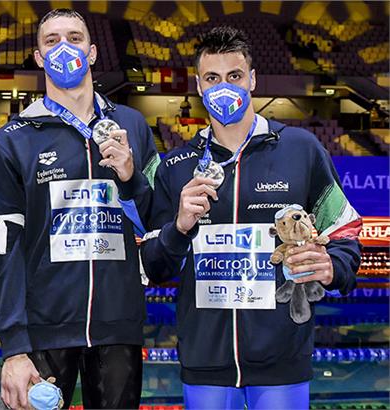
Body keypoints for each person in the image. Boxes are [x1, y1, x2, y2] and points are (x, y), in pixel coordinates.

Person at [140, 26, 362, 409]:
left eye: (234, 76)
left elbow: (345, 233)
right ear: (199, 85)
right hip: (205, 363)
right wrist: (178, 228)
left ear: (252, 80)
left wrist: (331, 266)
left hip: (282, 363)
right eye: (212, 78)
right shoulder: (176, 167)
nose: (223, 87)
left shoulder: (301, 150)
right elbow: (154, 265)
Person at [0, 8, 160, 409]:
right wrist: (13, 345)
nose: (64, 48)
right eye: (52, 41)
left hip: (118, 328)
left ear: (93, 52)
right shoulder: (13, 140)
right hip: (44, 331)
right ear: (39, 58)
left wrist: (131, 177)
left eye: (74, 38)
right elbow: (3, 252)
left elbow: (156, 221)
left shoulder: (133, 126)